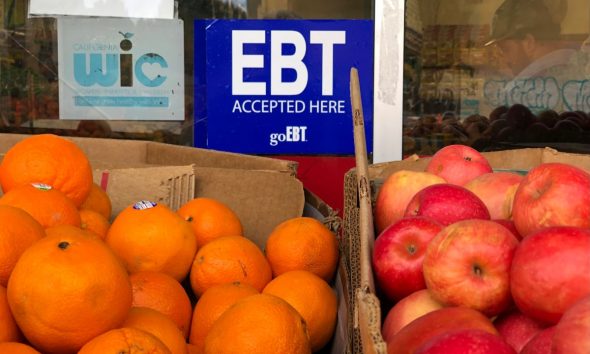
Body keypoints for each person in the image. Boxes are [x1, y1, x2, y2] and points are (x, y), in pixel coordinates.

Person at [484, 0, 586, 112]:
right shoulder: (582, 69)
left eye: (505, 49)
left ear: (529, 42)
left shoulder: (517, 93)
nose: (503, 59)